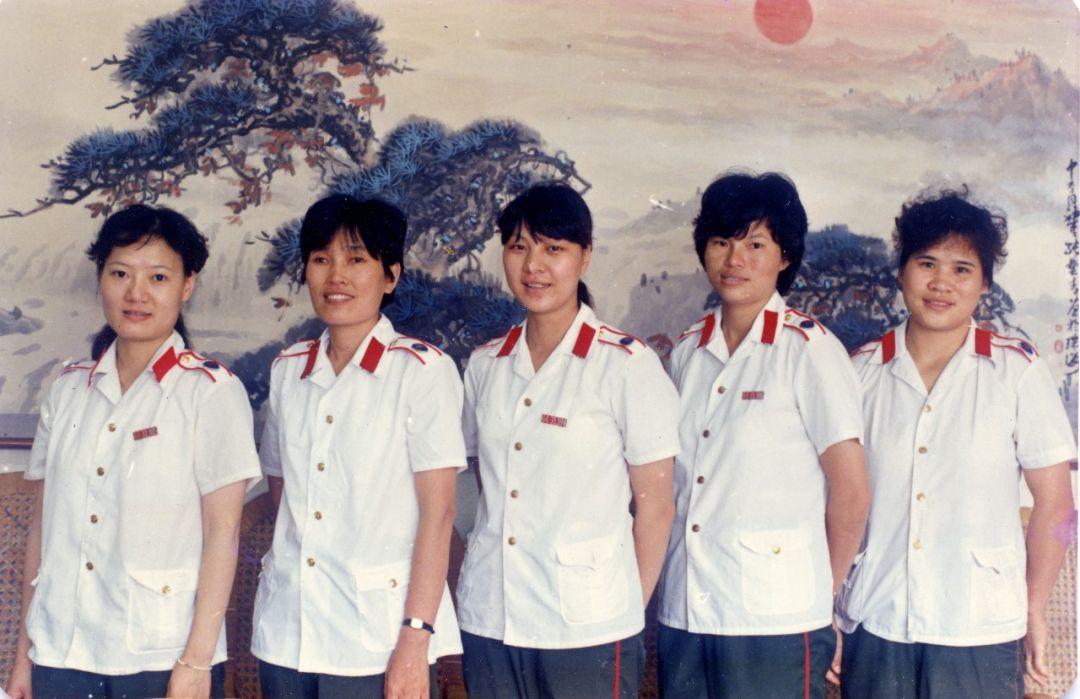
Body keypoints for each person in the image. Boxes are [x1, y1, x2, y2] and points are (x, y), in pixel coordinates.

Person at [4, 204, 261, 699]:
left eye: (158, 277)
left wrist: (196, 663)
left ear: (186, 286)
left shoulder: (209, 392)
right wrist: (24, 655)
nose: (136, 293)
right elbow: (43, 529)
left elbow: (223, 534)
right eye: (120, 273)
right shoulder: (67, 389)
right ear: (101, 278)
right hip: (60, 649)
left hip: (160, 656)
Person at [835, 189, 1075, 698]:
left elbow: (1057, 504)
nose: (941, 282)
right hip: (876, 617)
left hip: (979, 625)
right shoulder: (857, 373)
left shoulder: (1017, 371)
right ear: (902, 272)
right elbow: (832, 500)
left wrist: (1034, 609)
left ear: (984, 283)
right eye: (927, 263)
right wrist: (827, 606)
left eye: (962, 269)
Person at [457, 182, 680, 698]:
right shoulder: (486, 365)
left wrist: (622, 607)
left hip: (588, 628)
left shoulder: (625, 364)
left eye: (553, 249)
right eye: (518, 247)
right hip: (491, 615)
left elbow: (657, 505)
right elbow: (472, 480)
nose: (533, 266)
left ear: (585, 256)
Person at [656, 172, 871, 698]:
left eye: (755, 244)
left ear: (784, 256)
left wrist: (821, 594)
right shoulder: (686, 351)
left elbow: (852, 491)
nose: (735, 259)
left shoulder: (809, 350)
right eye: (721, 242)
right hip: (686, 608)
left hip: (776, 618)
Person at [251, 194, 464, 699]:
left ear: (390, 276)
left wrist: (415, 638)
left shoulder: (421, 372)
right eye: (321, 259)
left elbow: (439, 515)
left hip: (377, 637)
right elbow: (283, 492)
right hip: (286, 630)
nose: (336, 276)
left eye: (356, 260)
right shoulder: (288, 371)